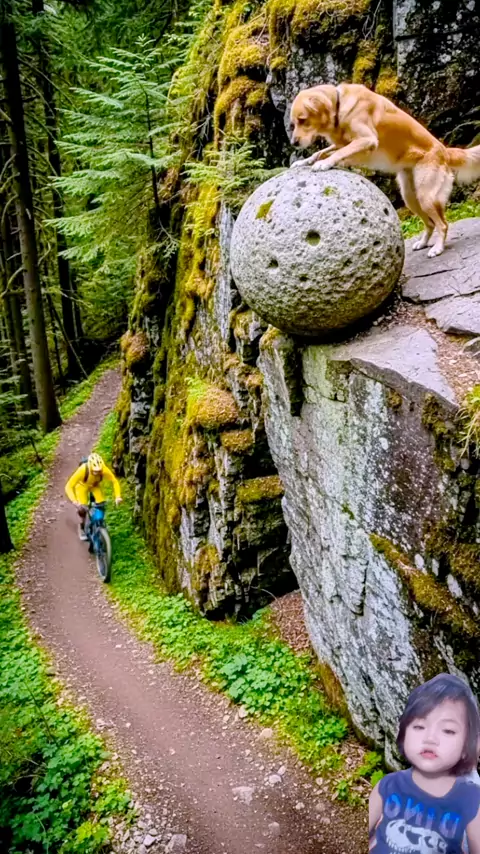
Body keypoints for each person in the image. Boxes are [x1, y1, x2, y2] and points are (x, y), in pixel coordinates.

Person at [369, 673, 480, 853]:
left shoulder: (471, 799)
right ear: (403, 733)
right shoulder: (387, 785)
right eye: (419, 726)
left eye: (448, 731)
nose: (430, 738)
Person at [65, 452, 122, 541]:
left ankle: (100, 523)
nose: (96, 473)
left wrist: (118, 496)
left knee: (101, 504)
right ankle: (82, 526)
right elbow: (68, 486)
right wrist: (74, 501)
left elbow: (114, 481)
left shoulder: (103, 469)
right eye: (94, 471)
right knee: (82, 509)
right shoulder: (82, 470)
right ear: (90, 466)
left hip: (95, 485)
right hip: (82, 486)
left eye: (99, 471)